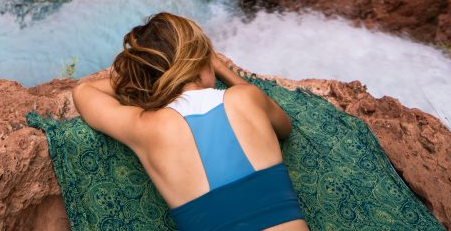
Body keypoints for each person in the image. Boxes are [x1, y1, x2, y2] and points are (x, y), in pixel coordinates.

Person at [72, 12, 308, 231]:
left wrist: (140, 76)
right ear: (201, 61)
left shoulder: (149, 127)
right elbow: (284, 126)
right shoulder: (246, 97)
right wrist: (222, 69)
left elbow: (84, 92)